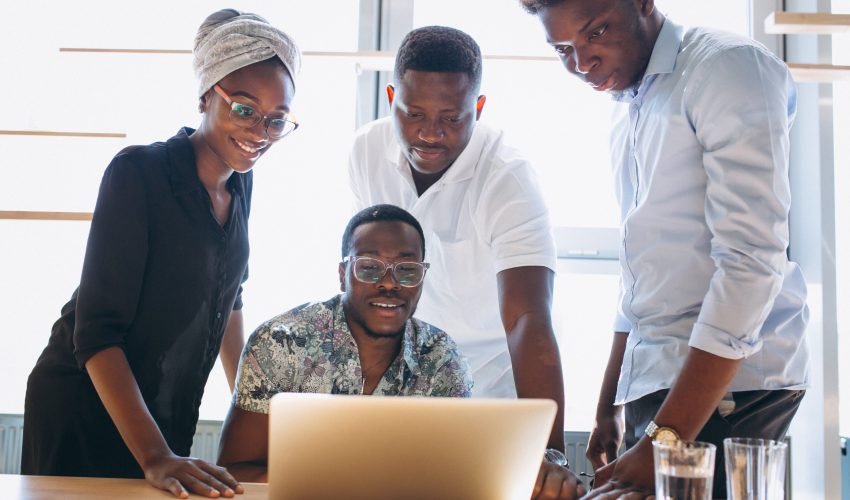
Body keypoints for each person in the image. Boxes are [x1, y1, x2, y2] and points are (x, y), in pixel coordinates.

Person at [520, 0, 810, 497]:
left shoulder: (725, 67)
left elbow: (750, 264)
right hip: (661, 389)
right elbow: (640, 278)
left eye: (596, 32)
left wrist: (665, 440)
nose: (582, 63)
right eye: (563, 49)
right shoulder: (630, 107)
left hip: (727, 389)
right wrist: (609, 406)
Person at [21, 9, 301, 499]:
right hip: (86, 405)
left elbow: (230, 299)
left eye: (276, 120)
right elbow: (96, 332)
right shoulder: (140, 173)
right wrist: (154, 455)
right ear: (206, 95)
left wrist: (253, 413)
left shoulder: (241, 184)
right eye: (244, 109)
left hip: (163, 414)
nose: (260, 131)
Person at [348, 26, 581, 499]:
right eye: (413, 114)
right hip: (398, 400)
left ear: (478, 108)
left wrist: (550, 454)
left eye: (451, 118)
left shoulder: (508, 179)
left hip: (489, 400)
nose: (429, 134)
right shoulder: (366, 151)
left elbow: (528, 319)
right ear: (391, 98)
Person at [216, 204, 473, 480]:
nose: (389, 283)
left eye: (407, 270)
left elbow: (455, 477)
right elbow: (235, 471)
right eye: (369, 267)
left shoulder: (441, 357)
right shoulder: (281, 343)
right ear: (342, 275)